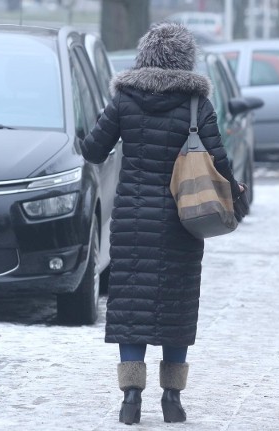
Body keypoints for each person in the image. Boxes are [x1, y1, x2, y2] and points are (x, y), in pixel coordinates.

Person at [80, 23, 249, 425]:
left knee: (130, 307)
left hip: (133, 223)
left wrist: (83, 138)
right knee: (177, 306)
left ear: (145, 56)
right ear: (186, 59)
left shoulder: (123, 101)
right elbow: (219, 160)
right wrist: (236, 192)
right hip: (182, 223)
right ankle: (172, 399)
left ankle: (130, 400)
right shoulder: (197, 105)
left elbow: (94, 150)